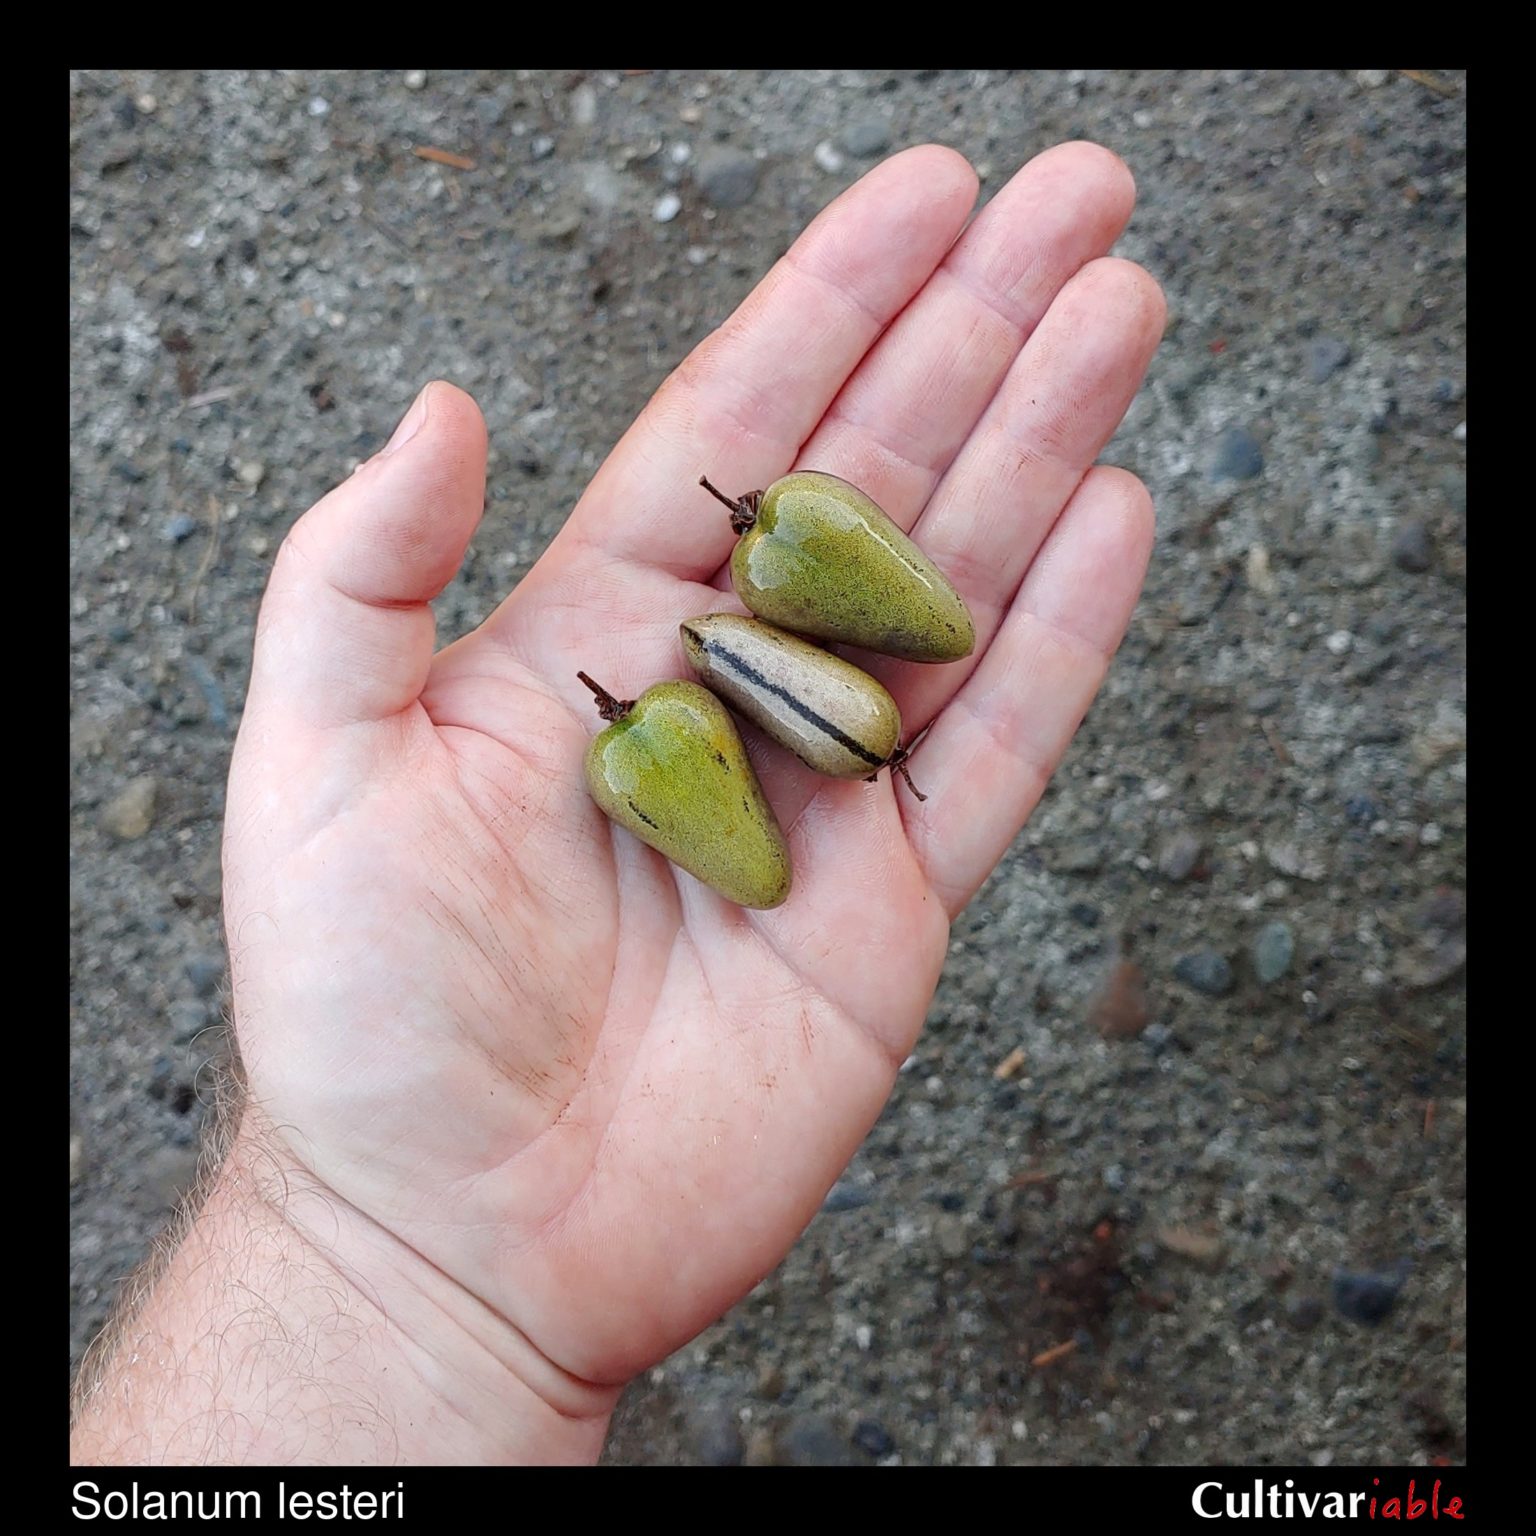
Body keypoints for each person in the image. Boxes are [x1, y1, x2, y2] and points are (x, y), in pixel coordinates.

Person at [70, 141, 1164, 1465]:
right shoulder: (737, 670)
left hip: (773, 703)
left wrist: (381, 1265)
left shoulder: (731, 674)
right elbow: (798, 742)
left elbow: (812, 723)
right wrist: (389, 1249)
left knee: (864, 685)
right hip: (773, 700)